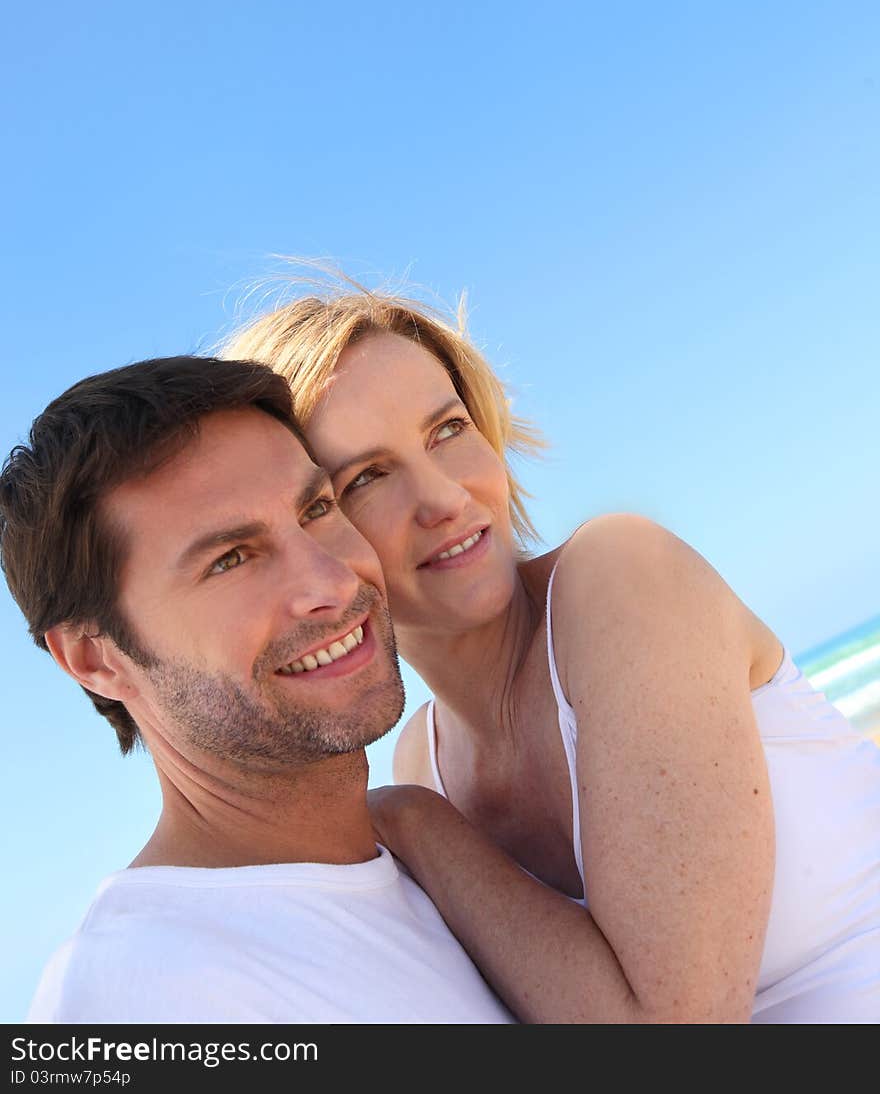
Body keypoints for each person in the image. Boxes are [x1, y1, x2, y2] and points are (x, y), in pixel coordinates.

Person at [224, 283, 880, 1023]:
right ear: (307, 534)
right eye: (366, 478)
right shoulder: (425, 766)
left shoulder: (621, 578)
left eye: (447, 430)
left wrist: (412, 824)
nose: (444, 497)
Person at [0, 356, 513, 1025]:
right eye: (232, 559)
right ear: (96, 658)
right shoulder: (134, 998)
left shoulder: (436, 871)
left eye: (317, 508)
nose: (331, 583)